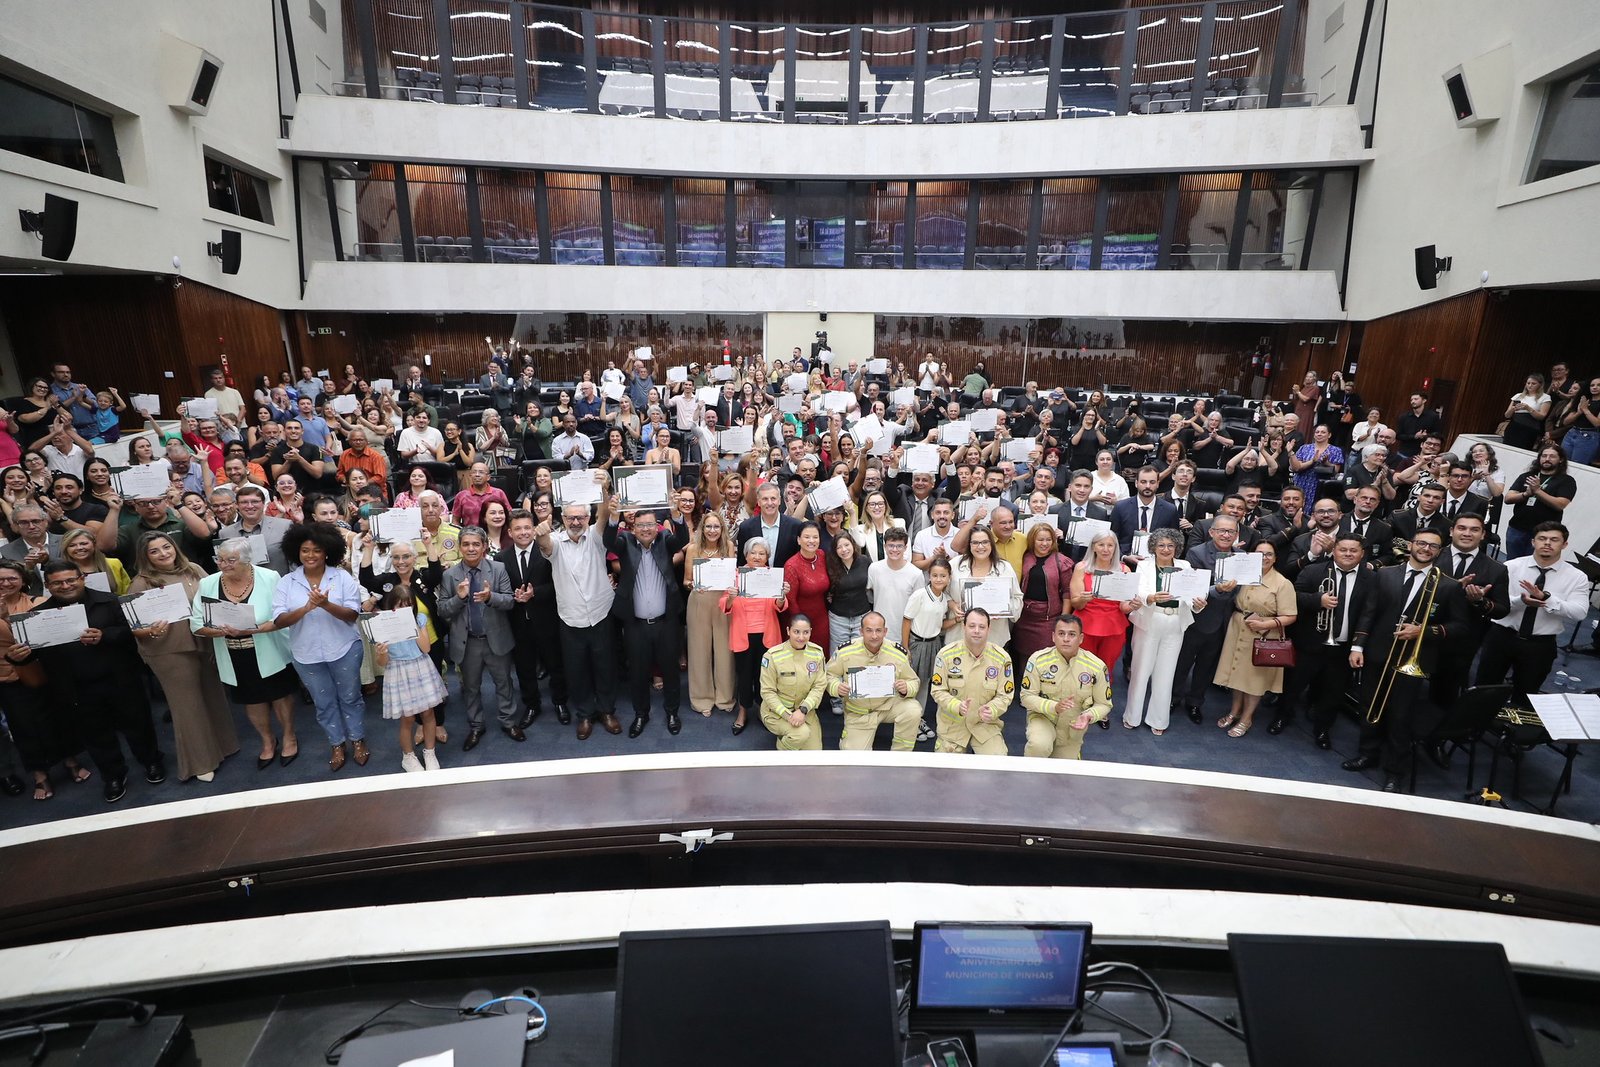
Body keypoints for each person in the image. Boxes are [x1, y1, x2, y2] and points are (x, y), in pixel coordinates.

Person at [1343, 529, 1467, 792]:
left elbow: (1459, 627)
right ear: (1411, 544)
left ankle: (1394, 770)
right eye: (1421, 543)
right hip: (1377, 653)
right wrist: (1358, 646)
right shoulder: (1385, 574)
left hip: (1414, 659)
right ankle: (1368, 753)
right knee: (1369, 706)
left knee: (1401, 716)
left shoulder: (1449, 585)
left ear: (1440, 551)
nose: (1425, 549)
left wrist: (1423, 631)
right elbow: (1369, 612)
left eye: (1433, 546)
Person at [31, 560, 164, 803]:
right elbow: (33, 652)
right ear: (48, 586)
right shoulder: (37, 616)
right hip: (75, 687)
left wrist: (106, 635)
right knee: (95, 735)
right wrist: (18, 657)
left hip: (120, 679)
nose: (66, 585)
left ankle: (151, 761)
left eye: (71, 579)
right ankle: (113, 775)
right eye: (58, 582)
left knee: (138, 724)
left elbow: (130, 631)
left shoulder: (110, 600)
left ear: (82, 578)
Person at [127, 531, 237, 783]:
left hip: (205, 642)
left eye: (166, 547)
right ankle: (200, 763)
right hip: (169, 650)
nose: (163, 554)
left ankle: (224, 746)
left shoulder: (194, 569)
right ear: (145, 557)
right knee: (187, 707)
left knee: (213, 696)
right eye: (154, 551)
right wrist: (151, 630)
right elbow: (135, 628)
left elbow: (216, 597)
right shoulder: (141, 583)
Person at [195, 538, 300, 769]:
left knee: (280, 695)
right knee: (251, 700)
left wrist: (249, 629)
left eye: (231, 560)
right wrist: (218, 631)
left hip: (269, 649)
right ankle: (267, 740)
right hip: (234, 654)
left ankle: (289, 736)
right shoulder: (207, 584)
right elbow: (196, 624)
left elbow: (282, 616)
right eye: (220, 559)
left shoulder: (269, 577)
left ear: (246, 559)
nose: (224, 565)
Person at [271, 522, 368, 772]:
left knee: (350, 697)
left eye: (316, 550)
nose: (310, 555)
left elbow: (351, 615)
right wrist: (306, 608)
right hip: (306, 654)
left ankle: (357, 739)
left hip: (345, 648)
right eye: (305, 550)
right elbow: (279, 620)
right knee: (323, 702)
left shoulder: (342, 577)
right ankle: (336, 743)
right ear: (296, 552)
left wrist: (325, 605)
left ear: (327, 551)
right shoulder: (286, 583)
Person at [537, 470, 622, 740]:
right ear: (562, 519)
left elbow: (605, 515)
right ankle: (585, 715)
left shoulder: (596, 538)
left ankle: (607, 710)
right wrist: (541, 530)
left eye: (581, 517)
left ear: (588, 518)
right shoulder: (556, 543)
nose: (576, 521)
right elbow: (545, 544)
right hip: (570, 618)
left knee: (606, 666)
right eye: (571, 517)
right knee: (577, 671)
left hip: (600, 614)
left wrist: (605, 489)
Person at [1475, 521, 1589, 699]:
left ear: (1564, 544)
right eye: (1542, 538)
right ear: (1532, 542)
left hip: (1540, 644)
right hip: (1501, 636)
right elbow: (1494, 604)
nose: (1547, 543)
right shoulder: (1510, 567)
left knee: (1527, 695)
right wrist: (1521, 601)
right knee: (1484, 689)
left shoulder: (1577, 577)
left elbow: (1579, 612)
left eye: (1554, 539)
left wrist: (1547, 599)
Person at [606, 508, 689, 737]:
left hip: (667, 621)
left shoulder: (664, 539)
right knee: (638, 672)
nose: (645, 529)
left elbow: (683, 540)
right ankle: (641, 714)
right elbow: (609, 542)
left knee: (670, 670)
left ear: (657, 526)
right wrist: (613, 518)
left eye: (650, 525)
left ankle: (672, 712)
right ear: (634, 528)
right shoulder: (625, 541)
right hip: (635, 623)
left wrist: (677, 516)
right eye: (641, 525)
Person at [438, 525, 519, 748]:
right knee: (471, 688)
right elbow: (442, 610)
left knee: (504, 683)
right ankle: (476, 726)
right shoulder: (450, 575)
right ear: (459, 547)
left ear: (484, 546)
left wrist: (490, 597)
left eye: (476, 544)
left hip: (495, 640)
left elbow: (510, 601)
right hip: (468, 644)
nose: (471, 548)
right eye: (466, 544)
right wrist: (459, 598)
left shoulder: (499, 569)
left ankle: (508, 721)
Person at [1212, 542, 1297, 738]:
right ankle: (1234, 711)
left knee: (1254, 681)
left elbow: (1290, 616)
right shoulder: (1243, 576)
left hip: (1263, 635)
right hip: (1238, 627)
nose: (1264, 558)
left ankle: (1246, 718)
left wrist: (1265, 625)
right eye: (1259, 554)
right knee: (1236, 675)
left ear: (1275, 558)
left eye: (1269, 554)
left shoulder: (1282, 583)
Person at [1124, 529, 1205, 734]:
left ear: (1176, 548)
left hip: (1176, 622)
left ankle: (1158, 720)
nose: (1166, 549)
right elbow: (1138, 590)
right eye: (1161, 545)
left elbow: (1194, 595)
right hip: (1149, 620)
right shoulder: (1144, 565)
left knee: (1166, 673)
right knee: (1141, 671)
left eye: (1170, 545)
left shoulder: (1185, 566)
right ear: (1153, 547)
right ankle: (1132, 716)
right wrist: (1150, 597)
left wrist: (1199, 603)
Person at [1172, 514, 1245, 724]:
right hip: (1198, 618)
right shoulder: (1197, 553)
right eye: (1221, 530)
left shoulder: (1241, 556)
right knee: (1183, 663)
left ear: (1236, 534)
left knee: (1206, 666)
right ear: (1211, 532)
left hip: (1224, 621)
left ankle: (1195, 703)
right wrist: (1217, 589)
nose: (1225, 535)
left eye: (1230, 531)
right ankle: (1174, 698)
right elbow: (1192, 586)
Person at [501, 501, 566, 728]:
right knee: (524, 667)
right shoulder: (501, 559)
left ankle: (560, 702)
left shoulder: (547, 551)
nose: (523, 532)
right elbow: (500, 591)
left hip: (546, 620)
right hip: (517, 624)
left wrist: (534, 593)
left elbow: (558, 584)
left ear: (534, 528)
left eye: (527, 528)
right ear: (510, 532)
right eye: (517, 529)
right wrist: (514, 596)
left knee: (555, 664)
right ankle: (531, 705)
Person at [374, 581, 448, 773]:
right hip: (398, 671)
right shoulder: (382, 625)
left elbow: (426, 648)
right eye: (399, 604)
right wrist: (382, 651)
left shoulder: (420, 619)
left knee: (428, 713)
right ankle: (408, 757)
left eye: (408, 604)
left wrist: (413, 626)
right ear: (391, 606)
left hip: (420, 667)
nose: (403, 608)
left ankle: (429, 752)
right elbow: (381, 662)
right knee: (407, 719)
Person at [826, 611, 921, 751]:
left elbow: (914, 680)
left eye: (878, 630)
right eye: (869, 630)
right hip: (859, 712)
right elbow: (829, 675)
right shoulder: (845, 651)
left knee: (913, 709)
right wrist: (837, 687)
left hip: (887, 705)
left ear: (885, 631)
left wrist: (906, 687)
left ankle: (900, 755)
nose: (874, 635)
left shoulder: (898, 653)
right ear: (861, 631)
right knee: (855, 761)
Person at [1022, 614, 1113, 758]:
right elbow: (1026, 697)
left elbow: (1104, 704)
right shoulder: (1038, 660)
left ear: (1081, 638)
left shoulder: (1096, 666)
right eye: (1061, 634)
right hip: (1043, 717)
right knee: (1039, 745)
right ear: (1053, 636)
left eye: (1072, 634)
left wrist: (1088, 716)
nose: (1065, 639)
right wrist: (1054, 707)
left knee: (1064, 775)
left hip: (1072, 726)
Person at [723, 537, 787, 736]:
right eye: (753, 553)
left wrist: (782, 596)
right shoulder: (735, 575)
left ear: (767, 557)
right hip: (743, 634)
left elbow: (780, 607)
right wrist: (732, 597)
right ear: (746, 555)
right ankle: (742, 712)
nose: (757, 557)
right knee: (744, 676)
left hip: (767, 634)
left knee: (764, 677)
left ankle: (763, 710)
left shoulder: (772, 576)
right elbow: (724, 604)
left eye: (762, 553)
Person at [930, 607, 1015, 755]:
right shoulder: (946, 655)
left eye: (982, 627)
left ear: (988, 629)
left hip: (985, 725)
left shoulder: (1002, 658)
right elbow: (937, 690)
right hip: (953, 726)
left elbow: (1005, 695)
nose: (976, 630)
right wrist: (956, 705)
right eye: (972, 626)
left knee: (996, 765)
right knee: (945, 773)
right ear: (964, 627)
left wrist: (992, 709)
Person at [684, 511, 736, 719]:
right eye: (708, 526)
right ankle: (702, 698)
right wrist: (693, 585)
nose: (712, 530)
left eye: (716, 526)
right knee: (699, 651)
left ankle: (725, 698)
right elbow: (686, 581)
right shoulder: (693, 549)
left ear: (722, 529)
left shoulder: (729, 547)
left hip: (723, 602)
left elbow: (732, 578)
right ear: (702, 529)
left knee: (725, 651)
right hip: (699, 601)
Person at [1067, 531, 1136, 678]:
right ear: (1093, 547)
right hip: (1086, 624)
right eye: (1101, 545)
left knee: (1106, 669)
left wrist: (1135, 605)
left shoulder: (1125, 570)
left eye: (1110, 545)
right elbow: (1076, 603)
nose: (1106, 549)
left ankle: (1101, 698)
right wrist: (1084, 599)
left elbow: (1124, 608)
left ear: (1115, 548)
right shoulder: (1081, 568)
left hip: (1114, 626)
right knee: (1082, 668)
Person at [758, 614, 828, 751]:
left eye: (805, 632)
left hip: (805, 712)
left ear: (810, 632)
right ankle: (783, 749)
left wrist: (803, 710)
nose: (801, 637)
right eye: (796, 632)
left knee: (815, 755)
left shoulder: (817, 653)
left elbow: (819, 686)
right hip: (777, 713)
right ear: (788, 631)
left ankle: (791, 740)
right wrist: (788, 716)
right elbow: (767, 692)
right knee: (801, 735)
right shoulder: (772, 656)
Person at [1503, 444, 1576, 560]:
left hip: (1544, 534)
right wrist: (1526, 494)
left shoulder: (1566, 481)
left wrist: (1537, 491)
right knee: (1512, 563)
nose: (1547, 459)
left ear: (1561, 459)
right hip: (1517, 528)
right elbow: (1508, 498)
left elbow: (1560, 504)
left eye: (1552, 456)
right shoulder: (1526, 476)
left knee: (1534, 564)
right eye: (1544, 456)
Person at [782, 521, 832, 656]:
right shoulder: (792, 566)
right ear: (799, 540)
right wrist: (801, 628)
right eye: (807, 537)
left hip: (822, 619)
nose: (811, 541)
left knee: (822, 656)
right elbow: (791, 602)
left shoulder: (822, 556)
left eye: (815, 537)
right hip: (801, 622)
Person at [219, 483, 292, 574]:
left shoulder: (284, 526)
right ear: (237, 505)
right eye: (244, 502)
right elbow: (223, 566)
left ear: (263, 503)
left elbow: (293, 562)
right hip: (241, 586)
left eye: (255, 501)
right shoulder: (225, 533)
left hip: (278, 585)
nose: (250, 506)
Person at [737, 482, 802, 565]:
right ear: (759, 502)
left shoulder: (795, 526)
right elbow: (742, 562)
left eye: (773, 498)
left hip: (785, 577)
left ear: (779, 501)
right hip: (755, 576)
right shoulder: (746, 527)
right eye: (765, 499)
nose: (770, 503)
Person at [1502, 374, 1552, 450]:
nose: (1530, 385)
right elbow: (1507, 415)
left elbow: (1542, 416)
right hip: (1514, 426)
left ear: (1540, 385)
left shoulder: (1545, 397)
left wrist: (1528, 408)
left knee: (1522, 450)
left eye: (1533, 383)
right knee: (1506, 448)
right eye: (1528, 383)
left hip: (1530, 428)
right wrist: (1513, 409)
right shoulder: (1518, 395)